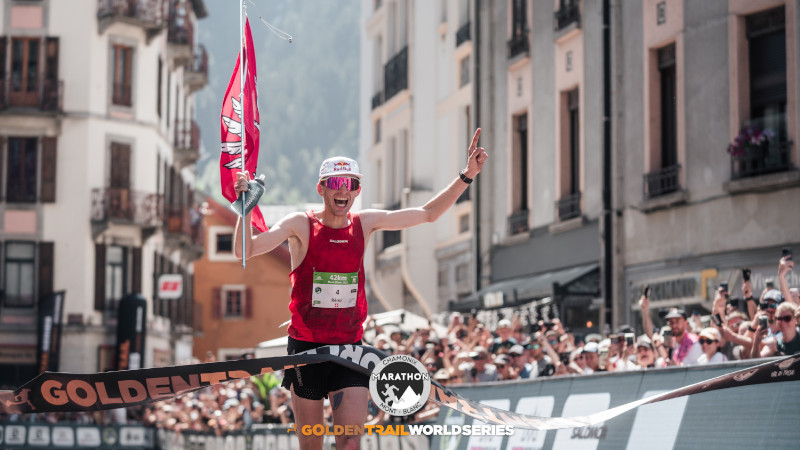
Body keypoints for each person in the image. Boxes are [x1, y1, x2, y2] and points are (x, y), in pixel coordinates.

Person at [233, 129, 488, 450]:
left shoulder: (364, 222)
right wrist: (244, 209)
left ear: (357, 191)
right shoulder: (300, 223)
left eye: (351, 184)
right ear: (322, 189)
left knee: (350, 442)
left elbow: (428, 214)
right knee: (311, 444)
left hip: (349, 349)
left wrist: (467, 175)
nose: (344, 190)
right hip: (305, 350)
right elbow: (246, 250)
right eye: (337, 184)